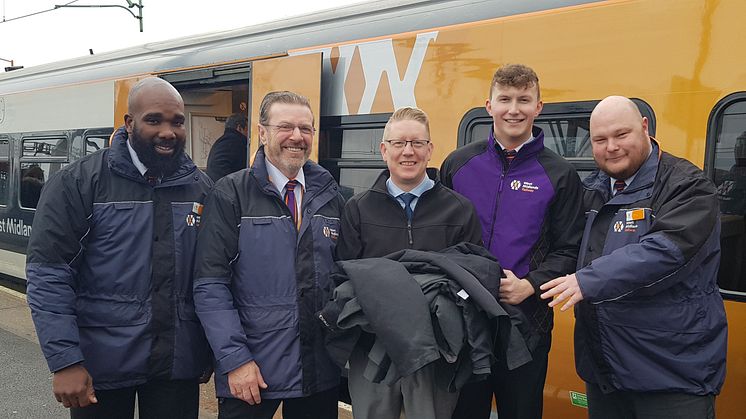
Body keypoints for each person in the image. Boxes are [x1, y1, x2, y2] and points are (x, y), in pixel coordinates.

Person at [26, 77, 213, 419]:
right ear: (129, 123)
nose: (168, 131)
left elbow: (210, 277)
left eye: (177, 121)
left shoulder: (200, 188)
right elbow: (49, 275)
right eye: (154, 120)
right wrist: (65, 360)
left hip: (176, 363)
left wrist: (208, 350)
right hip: (100, 367)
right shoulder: (79, 183)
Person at [540, 96, 728, 419]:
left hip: (670, 375)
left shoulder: (687, 186)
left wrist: (586, 281)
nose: (611, 146)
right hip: (606, 374)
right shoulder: (592, 190)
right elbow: (566, 247)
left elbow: (666, 252)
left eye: (621, 135)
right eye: (599, 139)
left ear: (644, 127)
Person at [440, 63, 584, 419]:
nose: (514, 109)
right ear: (488, 106)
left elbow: (570, 249)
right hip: (464, 322)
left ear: (539, 107)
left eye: (524, 99)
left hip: (527, 326)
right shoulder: (458, 165)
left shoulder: (560, 175)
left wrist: (530, 286)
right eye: (504, 99)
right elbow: (438, 237)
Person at [194, 91, 344, 419]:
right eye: (285, 126)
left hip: (318, 370)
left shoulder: (329, 196)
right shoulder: (230, 194)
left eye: (306, 129)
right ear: (262, 133)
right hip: (252, 371)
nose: (297, 137)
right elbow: (210, 285)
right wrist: (235, 360)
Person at [336, 107, 483, 419]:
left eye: (417, 143)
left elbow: (470, 278)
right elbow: (345, 279)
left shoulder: (459, 210)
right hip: (372, 346)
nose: (408, 152)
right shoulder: (357, 210)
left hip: (436, 353)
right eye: (399, 143)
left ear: (430, 150)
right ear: (384, 149)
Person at [206, 113, 249, 181]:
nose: (248, 134)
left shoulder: (220, 142)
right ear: (239, 128)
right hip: (227, 187)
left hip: (215, 185)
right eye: (247, 130)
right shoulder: (239, 142)